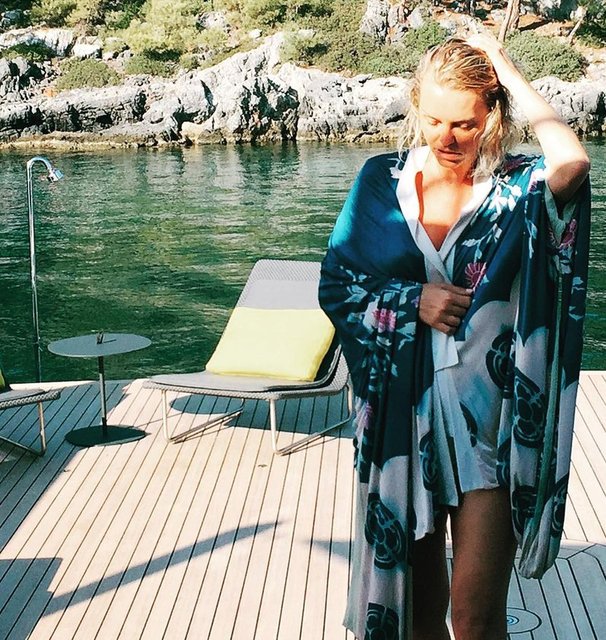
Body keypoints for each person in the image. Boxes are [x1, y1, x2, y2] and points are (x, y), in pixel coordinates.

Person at [319, 34, 591, 640]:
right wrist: (412, 300)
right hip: (401, 427)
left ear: (492, 115)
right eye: (435, 120)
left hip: (488, 428)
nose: (447, 138)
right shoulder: (380, 181)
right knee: (418, 614)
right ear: (416, 107)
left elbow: (573, 163)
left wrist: (505, 67)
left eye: (465, 123)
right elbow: (337, 284)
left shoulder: (518, 191)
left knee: (474, 618)